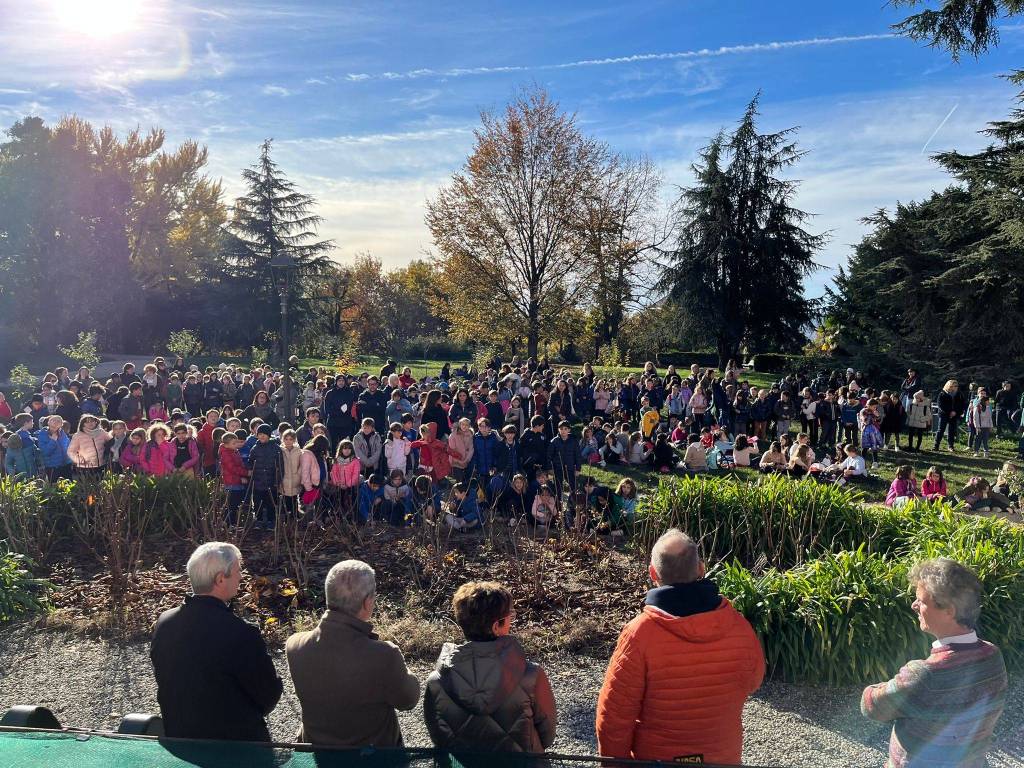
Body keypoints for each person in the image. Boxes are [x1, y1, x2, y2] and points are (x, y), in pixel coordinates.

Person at [596, 529, 764, 764]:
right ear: (701, 569)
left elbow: (614, 719)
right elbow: (753, 680)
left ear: (653, 573)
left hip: (656, 760)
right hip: (722, 758)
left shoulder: (638, 635)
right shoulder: (738, 625)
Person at [862, 558, 1007, 768]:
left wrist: (878, 687)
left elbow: (872, 706)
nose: (914, 605)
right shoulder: (993, 655)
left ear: (949, 610)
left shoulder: (924, 674)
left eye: (921, 600)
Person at [150, 542, 282, 741]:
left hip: (181, 741)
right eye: (238, 571)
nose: (241, 577)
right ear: (220, 579)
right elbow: (268, 696)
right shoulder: (241, 633)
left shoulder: (164, 622)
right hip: (236, 748)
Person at [286, 560, 419, 747]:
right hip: (375, 758)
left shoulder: (294, 646)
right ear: (368, 602)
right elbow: (408, 700)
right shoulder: (384, 655)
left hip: (318, 754)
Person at [423, 581, 556, 753]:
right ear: (496, 626)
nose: (512, 621)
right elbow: (548, 735)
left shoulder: (436, 681)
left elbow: (437, 736)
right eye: (510, 616)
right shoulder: (531, 676)